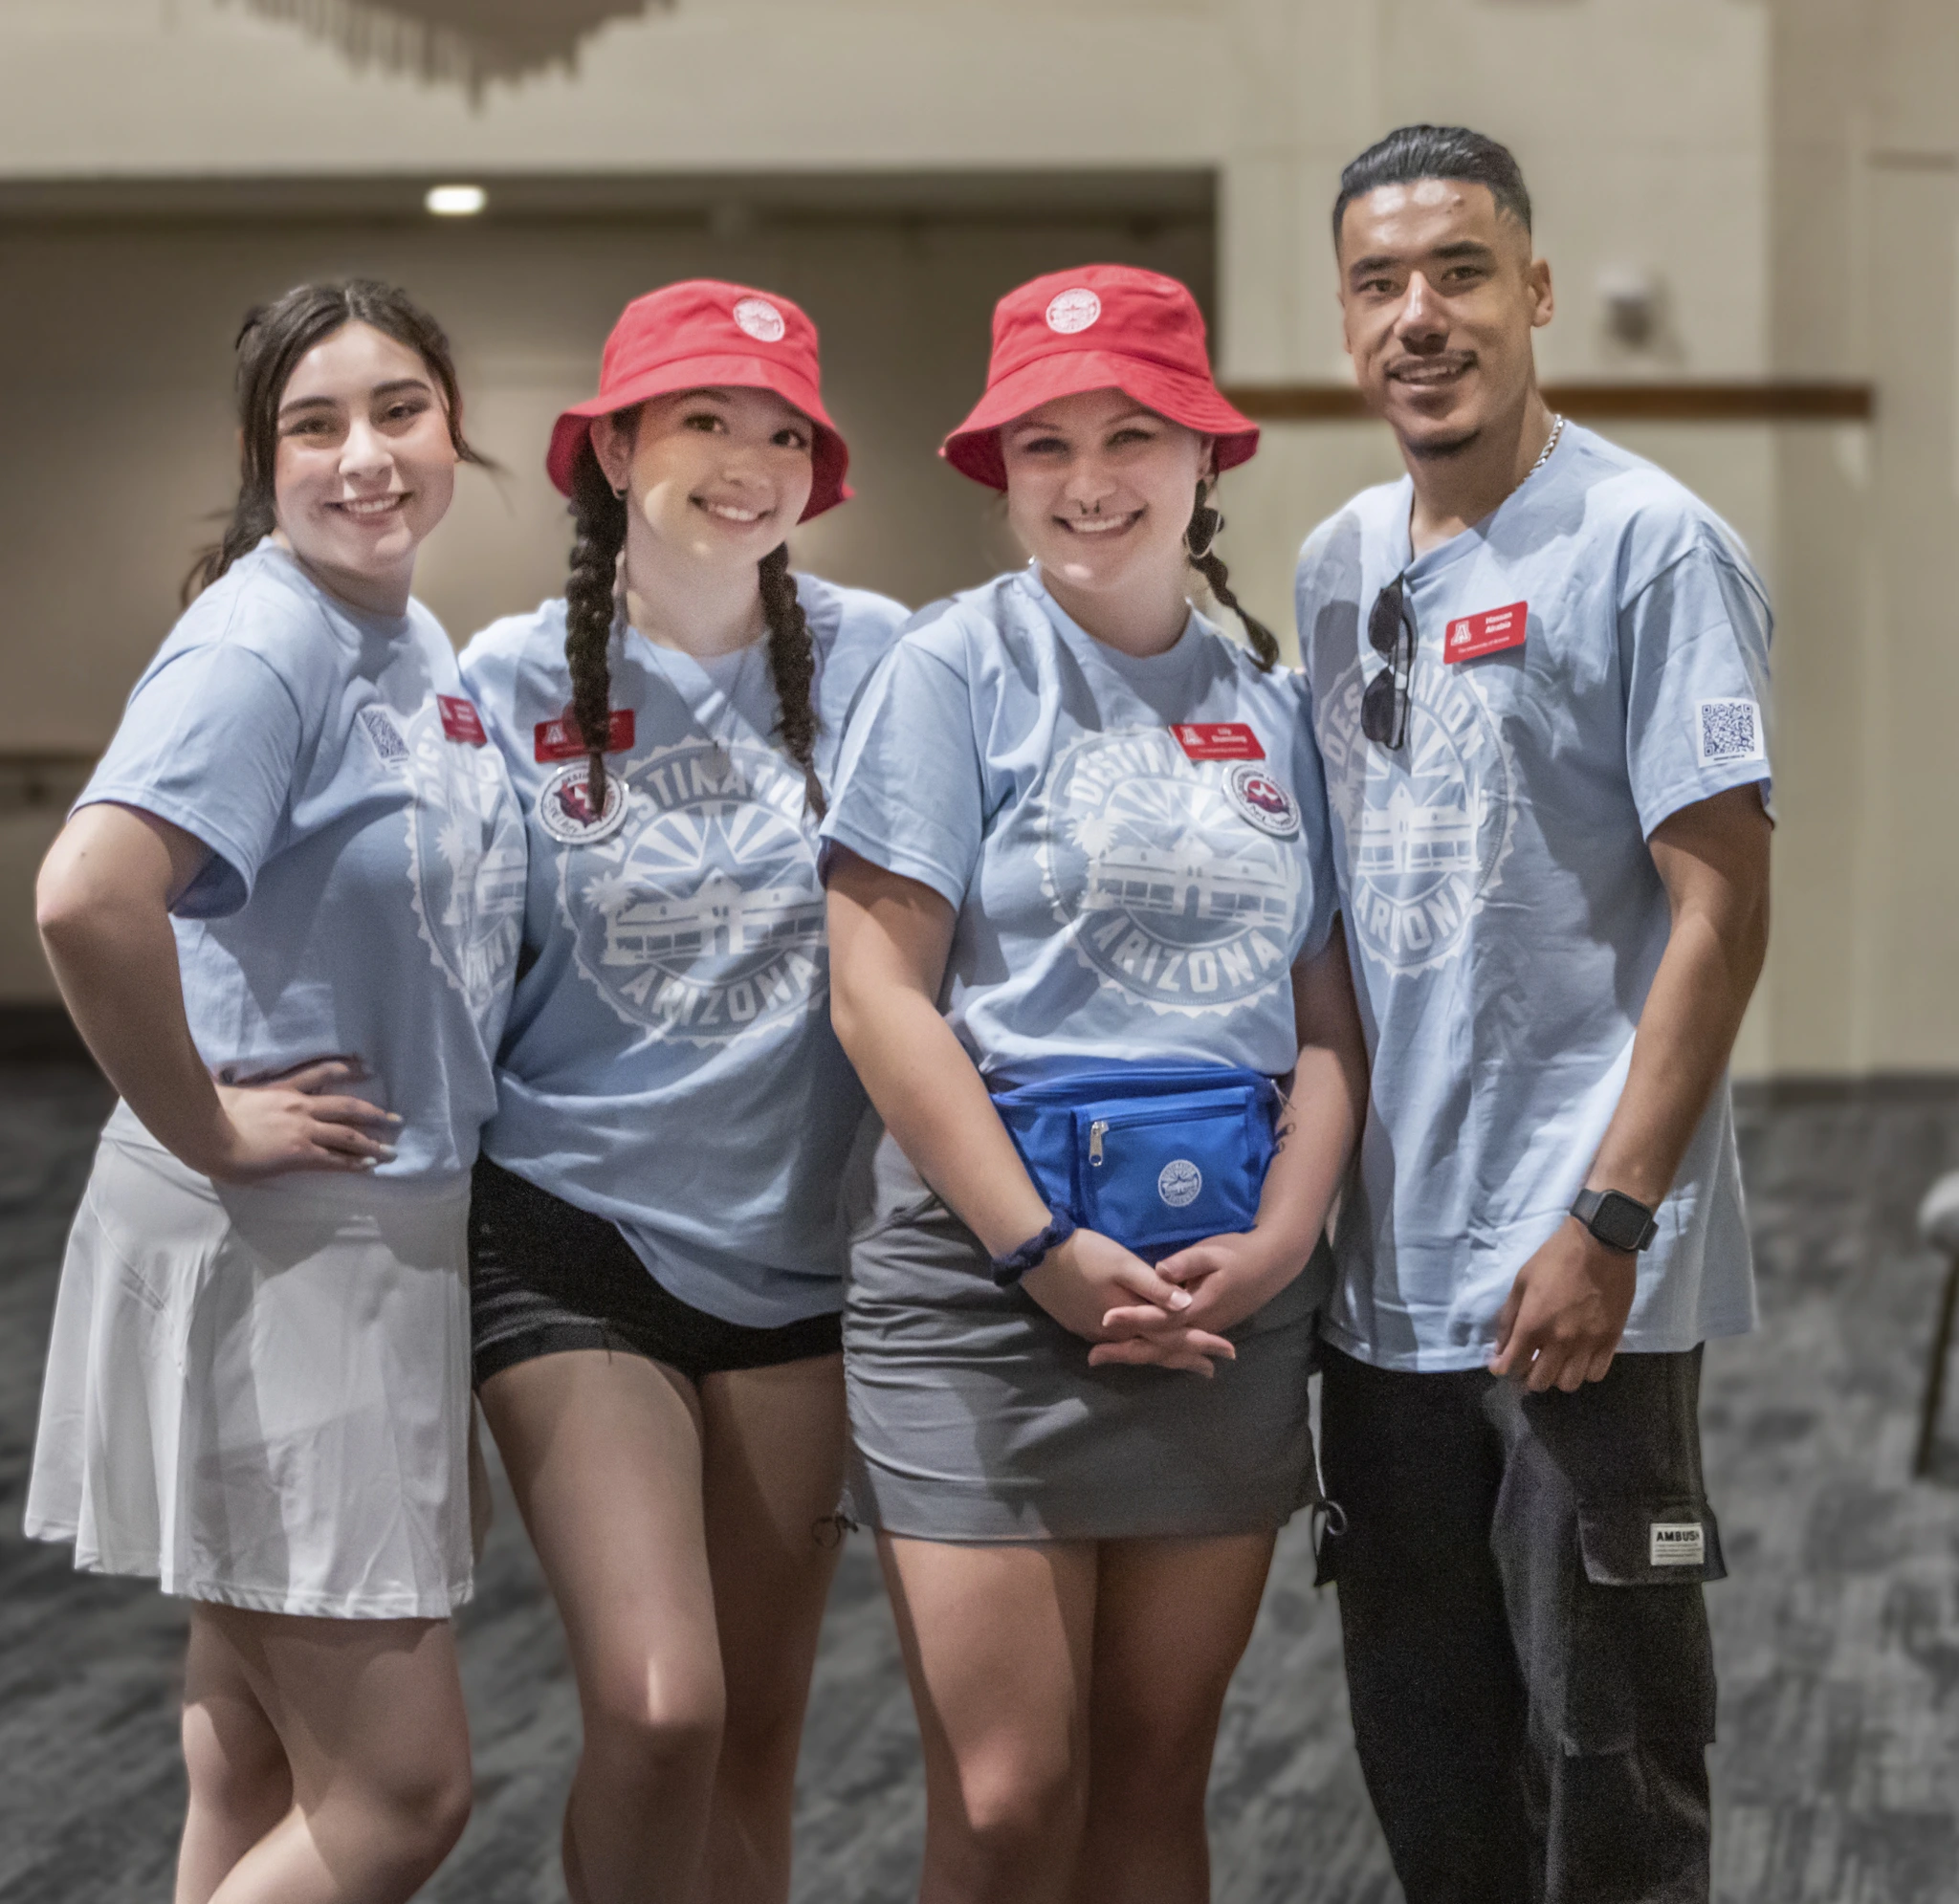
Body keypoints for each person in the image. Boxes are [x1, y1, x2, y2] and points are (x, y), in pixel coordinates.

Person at [822, 262, 1368, 1904]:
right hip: (988, 1297)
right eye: (1044, 444)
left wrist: (1278, 1248)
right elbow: (877, 996)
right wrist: (1038, 1253)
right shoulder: (949, 670)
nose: (1089, 479)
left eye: (1133, 433)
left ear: (1209, 460)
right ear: (1002, 475)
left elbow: (1328, 1025)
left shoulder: (1272, 707)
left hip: (1220, 1299)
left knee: (1152, 1783)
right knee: (1007, 1800)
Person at [1293, 125, 1773, 1903]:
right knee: (1434, 1775)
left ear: (1536, 292)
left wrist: (1611, 1218)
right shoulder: (1340, 564)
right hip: (1385, 1291)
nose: (1421, 316)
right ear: (1348, 321)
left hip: (1581, 1293)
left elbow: (1722, 906)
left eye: (1461, 272)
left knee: (1616, 1775)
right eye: (1379, 283)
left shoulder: (1651, 546)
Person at [25, 279, 524, 1903]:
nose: (364, 456)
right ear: (266, 462)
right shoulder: (265, 638)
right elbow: (87, 890)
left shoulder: (403, 632)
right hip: (284, 1237)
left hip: (359, 1233)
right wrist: (209, 1120)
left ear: (455, 427)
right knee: (401, 1792)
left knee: (248, 1746)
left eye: (399, 410)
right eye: (315, 425)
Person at [455, 279, 908, 1904]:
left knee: (759, 1739)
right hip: (574, 1235)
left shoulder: (882, 662)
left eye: (784, 429)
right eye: (708, 416)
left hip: (804, 1253)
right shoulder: (506, 679)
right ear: (618, 443)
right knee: (662, 1707)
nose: (750, 457)